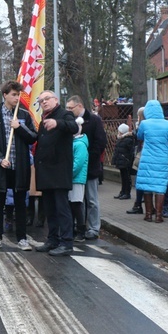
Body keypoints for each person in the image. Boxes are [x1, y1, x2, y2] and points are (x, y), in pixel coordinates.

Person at [0, 81, 38, 251]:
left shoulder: (24, 115)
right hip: (2, 167)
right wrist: (0, 159)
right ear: (5, 95)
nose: (17, 98)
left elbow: (33, 137)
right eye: (14, 94)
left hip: (19, 166)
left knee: (21, 202)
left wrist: (19, 127)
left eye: (18, 94)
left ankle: (22, 238)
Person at [33, 90, 77, 256]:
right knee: (49, 208)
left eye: (46, 99)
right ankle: (53, 239)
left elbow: (73, 127)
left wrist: (58, 123)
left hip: (59, 170)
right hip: (45, 170)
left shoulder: (64, 114)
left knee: (61, 208)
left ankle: (66, 242)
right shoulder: (43, 118)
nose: (44, 102)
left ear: (55, 99)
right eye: (40, 101)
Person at [65, 95, 106, 241]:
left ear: (79, 106)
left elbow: (100, 142)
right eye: (67, 108)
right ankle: (79, 225)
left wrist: (88, 158)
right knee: (77, 200)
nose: (68, 111)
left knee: (92, 199)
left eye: (71, 108)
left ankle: (94, 227)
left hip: (90, 167)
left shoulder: (94, 120)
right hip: (75, 168)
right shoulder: (69, 120)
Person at [136, 100, 168, 223]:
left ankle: (148, 214)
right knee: (160, 186)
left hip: (147, 158)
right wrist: (167, 153)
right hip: (162, 158)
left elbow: (139, 136)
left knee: (147, 186)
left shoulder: (145, 123)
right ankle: (159, 216)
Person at [70, 125, 89, 242]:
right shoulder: (76, 143)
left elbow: (77, 164)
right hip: (73, 178)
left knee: (76, 205)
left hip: (76, 179)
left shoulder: (80, 145)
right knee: (72, 205)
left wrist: (67, 175)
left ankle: (81, 231)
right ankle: (73, 230)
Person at [112, 123, 135, 200]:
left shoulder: (128, 140)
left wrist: (127, 159)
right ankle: (123, 191)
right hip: (121, 161)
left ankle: (127, 193)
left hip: (125, 161)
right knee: (123, 177)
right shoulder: (120, 138)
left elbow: (130, 152)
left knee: (126, 177)